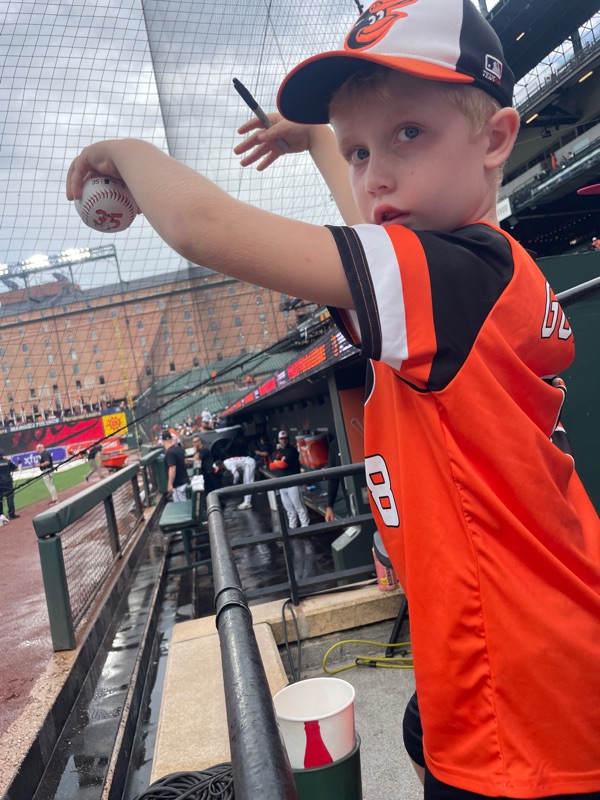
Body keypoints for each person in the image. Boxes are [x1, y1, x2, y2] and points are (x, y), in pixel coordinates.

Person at [65, 2, 600, 795]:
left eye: (409, 132)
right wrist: (316, 139)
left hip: (522, 695)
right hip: (536, 644)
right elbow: (374, 218)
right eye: (359, 149)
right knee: (425, 735)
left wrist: (126, 152)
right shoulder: (482, 271)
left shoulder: (448, 275)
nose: (375, 174)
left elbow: (204, 227)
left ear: (495, 140)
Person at [269, 432, 310, 529]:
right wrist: (279, 462)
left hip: (293, 483)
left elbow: (284, 464)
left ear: (288, 439)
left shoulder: (292, 450)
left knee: (299, 506)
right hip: (282, 483)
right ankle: (292, 527)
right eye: (282, 439)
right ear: (278, 440)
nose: (284, 440)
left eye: (285, 438)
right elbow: (271, 466)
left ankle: (305, 527)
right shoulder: (277, 451)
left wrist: (277, 462)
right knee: (289, 508)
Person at [162, 431, 189, 502]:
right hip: (183, 481)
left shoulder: (169, 452)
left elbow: (172, 468)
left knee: (180, 505)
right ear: (171, 439)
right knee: (184, 502)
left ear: (163, 441)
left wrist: (170, 484)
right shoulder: (177, 448)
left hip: (178, 485)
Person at [0, 451, 19, 519]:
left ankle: (1, 515)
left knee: (0, 499)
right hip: (8, 481)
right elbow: (16, 468)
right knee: (10, 497)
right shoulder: (7, 462)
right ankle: (11, 514)